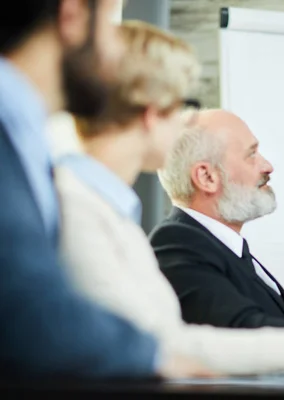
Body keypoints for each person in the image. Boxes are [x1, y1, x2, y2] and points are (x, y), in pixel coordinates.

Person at [56, 20, 284, 376]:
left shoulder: (109, 213)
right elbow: (171, 349)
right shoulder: (78, 210)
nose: (182, 126)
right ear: (152, 115)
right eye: (179, 109)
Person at [0, 0, 207, 379]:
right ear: (73, 15)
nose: (116, 58)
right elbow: (28, 315)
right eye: (112, 26)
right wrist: (153, 357)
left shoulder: (26, 142)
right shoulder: (60, 184)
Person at [151, 109, 284, 329]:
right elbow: (247, 333)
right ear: (206, 177)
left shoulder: (228, 249)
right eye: (251, 155)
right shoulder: (175, 244)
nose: (267, 166)